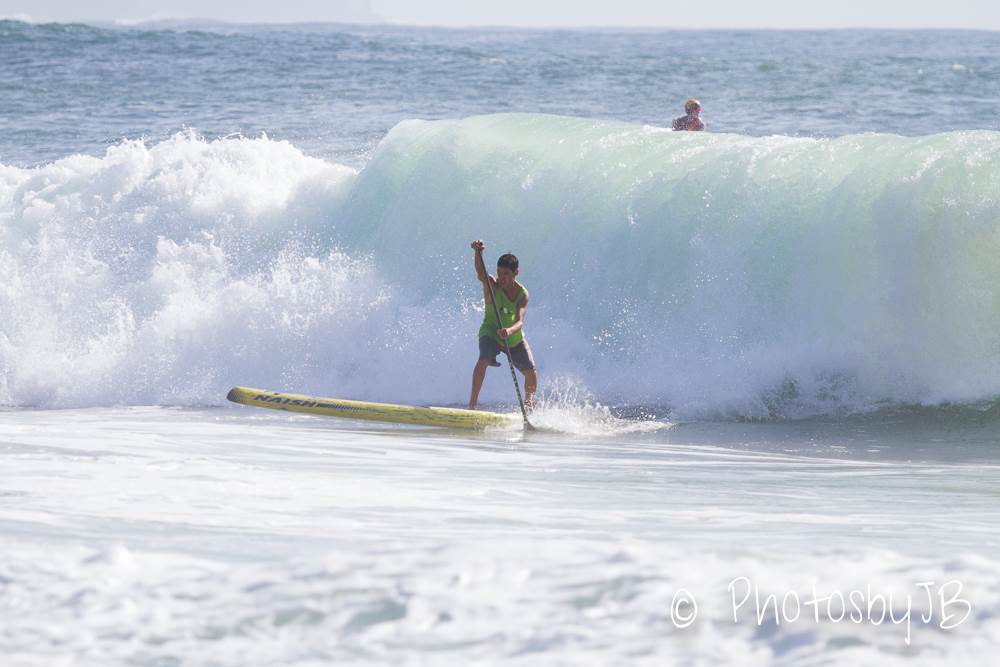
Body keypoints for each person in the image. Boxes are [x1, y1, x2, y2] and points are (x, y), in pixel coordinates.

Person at [468, 240, 537, 411]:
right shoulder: (492, 285)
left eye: (506, 273)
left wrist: (509, 331)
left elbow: (520, 321)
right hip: (491, 332)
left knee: (531, 373)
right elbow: (480, 274)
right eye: (499, 272)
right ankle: (472, 406)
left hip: (513, 337)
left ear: (516, 273)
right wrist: (478, 253)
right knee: (483, 359)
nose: (501, 277)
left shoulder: (523, 294)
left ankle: (528, 409)